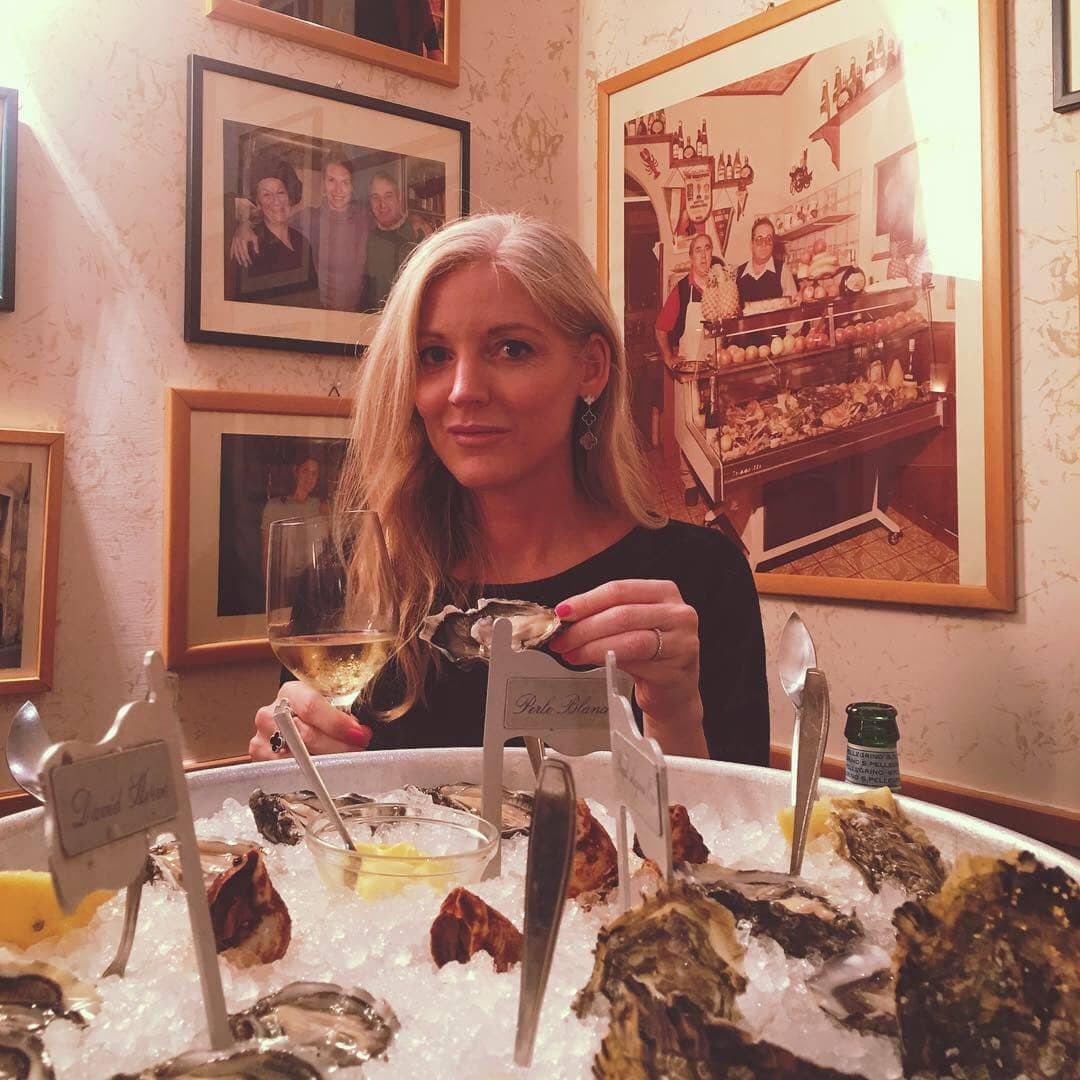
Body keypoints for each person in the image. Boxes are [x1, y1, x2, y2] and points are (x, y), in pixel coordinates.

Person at [249, 213, 769, 766]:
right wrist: (289, 764)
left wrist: (674, 714)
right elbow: (319, 820)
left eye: (511, 349)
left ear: (591, 368)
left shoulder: (698, 580)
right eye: (434, 355)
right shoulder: (357, 574)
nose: (464, 390)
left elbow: (732, 846)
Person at [231, 150, 370, 313]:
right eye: (331, 180)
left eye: (345, 182)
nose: (338, 189)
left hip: (355, 316)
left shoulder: (364, 218)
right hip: (319, 317)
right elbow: (272, 220)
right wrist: (244, 226)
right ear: (323, 185)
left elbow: (390, 223)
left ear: (352, 186)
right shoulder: (308, 219)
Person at [235, 157, 318, 305]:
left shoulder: (303, 241)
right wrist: (242, 226)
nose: (276, 201)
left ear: (289, 196)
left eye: (280, 192)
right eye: (266, 195)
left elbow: (313, 294)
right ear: (258, 203)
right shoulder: (249, 247)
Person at [653, 232, 724, 366]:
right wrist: (668, 357)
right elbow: (660, 329)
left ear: (711, 254)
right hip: (689, 372)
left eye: (707, 248)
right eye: (698, 250)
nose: (703, 255)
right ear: (691, 257)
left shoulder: (721, 286)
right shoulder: (682, 290)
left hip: (717, 368)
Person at [362, 171, 427, 311]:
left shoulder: (419, 233)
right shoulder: (369, 239)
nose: (382, 205)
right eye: (375, 197)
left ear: (399, 198)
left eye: (388, 196)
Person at [260, 455, 328, 577]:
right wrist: (268, 589)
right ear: (295, 471)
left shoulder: (321, 506)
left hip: (313, 581)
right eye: (305, 471)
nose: (309, 477)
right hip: (284, 580)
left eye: (314, 473)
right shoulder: (274, 506)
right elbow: (266, 554)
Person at [735, 216, 797, 306]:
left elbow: (793, 309)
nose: (764, 244)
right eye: (759, 240)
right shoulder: (738, 273)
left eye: (768, 239)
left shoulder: (782, 270)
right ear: (752, 244)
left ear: (773, 243)